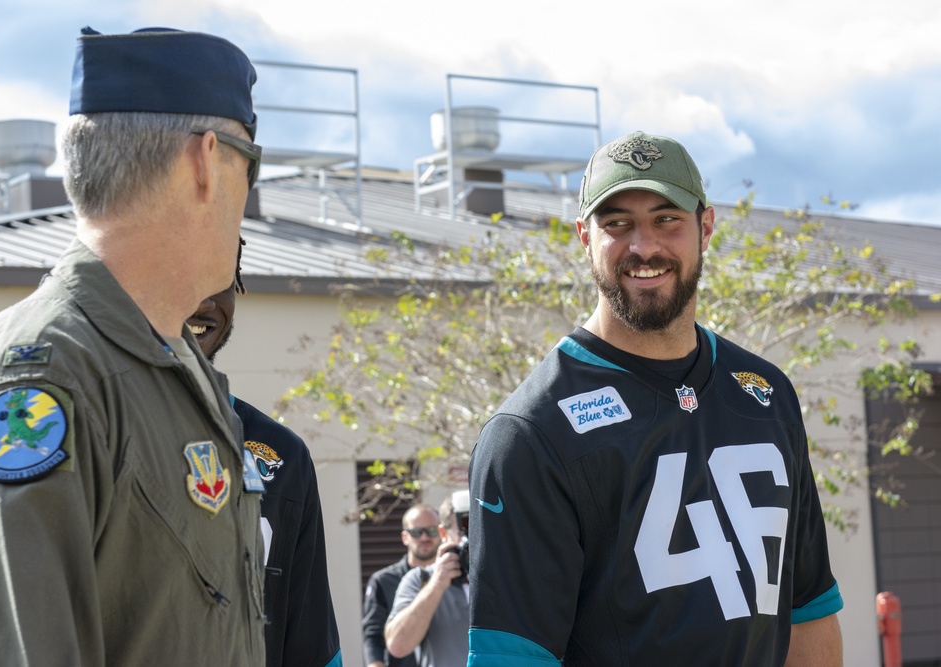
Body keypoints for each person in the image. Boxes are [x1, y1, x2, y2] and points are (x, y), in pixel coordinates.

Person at [0, 26, 266, 665]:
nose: (249, 197)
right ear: (206, 161)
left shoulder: (169, 362)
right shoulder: (44, 379)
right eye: (250, 163)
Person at [467, 131, 845, 666]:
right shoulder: (530, 433)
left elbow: (808, 609)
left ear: (705, 227)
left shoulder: (767, 393)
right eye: (616, 223)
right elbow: (512, 658)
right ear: (583, 236)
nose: (644, 246)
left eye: (666, 218)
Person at [189, 248, 343, 667]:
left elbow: (310, 641)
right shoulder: (101, 424)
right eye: (182, 270)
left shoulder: (283, 454)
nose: (204, 301)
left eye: (219, 275)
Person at [385, 492, 470, 667]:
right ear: (443, 533)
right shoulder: (420, 579)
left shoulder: (509, 578)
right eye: (465, 528)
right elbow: (397, 645)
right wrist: (437, 584)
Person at [362, 503, 443, 667]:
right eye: (416, 532)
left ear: (441, 532)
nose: (424, 538)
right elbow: (373, 636)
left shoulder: (457, 576)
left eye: (431, 531)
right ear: (405, 537)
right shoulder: (383, 580)